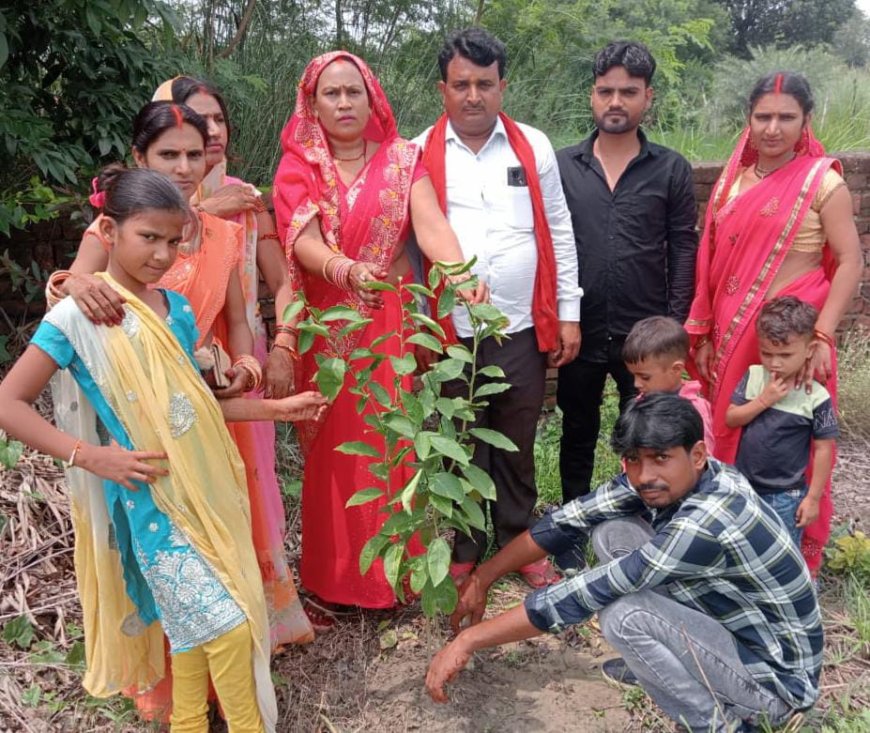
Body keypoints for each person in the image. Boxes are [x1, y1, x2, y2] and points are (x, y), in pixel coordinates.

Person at [0, 168, 327, 732]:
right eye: (147, 237)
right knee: (225, 630)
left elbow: (193, 407)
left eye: (173, 241)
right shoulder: (78, 316)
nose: (160, 253)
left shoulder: (174, 309)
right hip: (154, 502)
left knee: (198, 638)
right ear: (109, 228)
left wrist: (275, 409)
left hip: (210, 489)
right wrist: (88, 455)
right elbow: (9, 402)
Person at [425, 394, 821, 733]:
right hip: (736, 629)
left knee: (622, 615)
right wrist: (483, 577)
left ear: (697, 454)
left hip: (776, 683)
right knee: (611, 532)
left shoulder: (707, 520)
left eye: (660, 458)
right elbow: (566, 522)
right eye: (633, 460)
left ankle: (715, 724)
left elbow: (587, 593)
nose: (645, 475)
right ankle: (658, 662)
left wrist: (468, 639)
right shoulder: (677, 480)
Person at [272, 51, 486, 622]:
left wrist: (462, 278)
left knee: (391, 441)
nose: (344, 104)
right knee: (334, 456)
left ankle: (398, 578)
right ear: (312, 104)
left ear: (372, 100)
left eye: (353, 93)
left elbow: (432, 225)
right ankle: (332, 580)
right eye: (331, 94)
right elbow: (304, 242)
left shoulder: (401, 161)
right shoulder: (298, 167)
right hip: (328, 329)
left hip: (388, 324)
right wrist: (345, 270)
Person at [416, 27, 582, 588]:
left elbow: (557, 227)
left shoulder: (531, 145)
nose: (472, 96)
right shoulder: (418, 152)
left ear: (502, 86)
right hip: (452, 332)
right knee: (460, 444)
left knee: (515, 442)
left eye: (484, 84)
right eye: (461, 84)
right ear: (443, 89)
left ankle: (517, 542)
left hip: (517, 327)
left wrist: (568, 311)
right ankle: (465, 548)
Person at [686, 71, 862, 576]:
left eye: (786, 117)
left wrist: (823, 337)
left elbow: (850, 262)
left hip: (792, 337)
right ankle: (728, 545)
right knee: (731, 428)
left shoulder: (822, 182)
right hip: (733, 331)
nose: (772, 127)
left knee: (792, 437)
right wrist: (702, 333)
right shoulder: (730, 181)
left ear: (806, 121)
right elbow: (712, 260)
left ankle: (790, 558)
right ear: (749, 118)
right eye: (763, 116)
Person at [556, 40, 698, 504]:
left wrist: (674, 325)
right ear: (592, 96)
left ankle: (645, 516)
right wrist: (558, 315)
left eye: (628, 92)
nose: (615, 101)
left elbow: (682, 247)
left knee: (650, 435)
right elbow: (547, 244)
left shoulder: (670, 169)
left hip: (646, 336)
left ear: (647, 97)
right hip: (580, 327)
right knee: (577, 427)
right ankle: (575, 517)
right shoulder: (561, 167)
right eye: (605, 90)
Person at [726, 297, 838, 547]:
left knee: (781, 551)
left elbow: (823, 449)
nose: (775, 363)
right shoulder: (755, 376)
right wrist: (763, 400)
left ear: (809, 350)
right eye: (767, 353)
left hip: (786, 496)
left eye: (785, 355)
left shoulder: (817, 396)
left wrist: (813, 498)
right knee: (741, 547)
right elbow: (731, 418)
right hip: (743, 486)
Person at [623, 315, 714, 452]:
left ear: (676, 369)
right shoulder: (641, 402)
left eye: (645, 377)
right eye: (634, 376)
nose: (637, 384)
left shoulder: (696, 410)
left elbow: (705, 456)